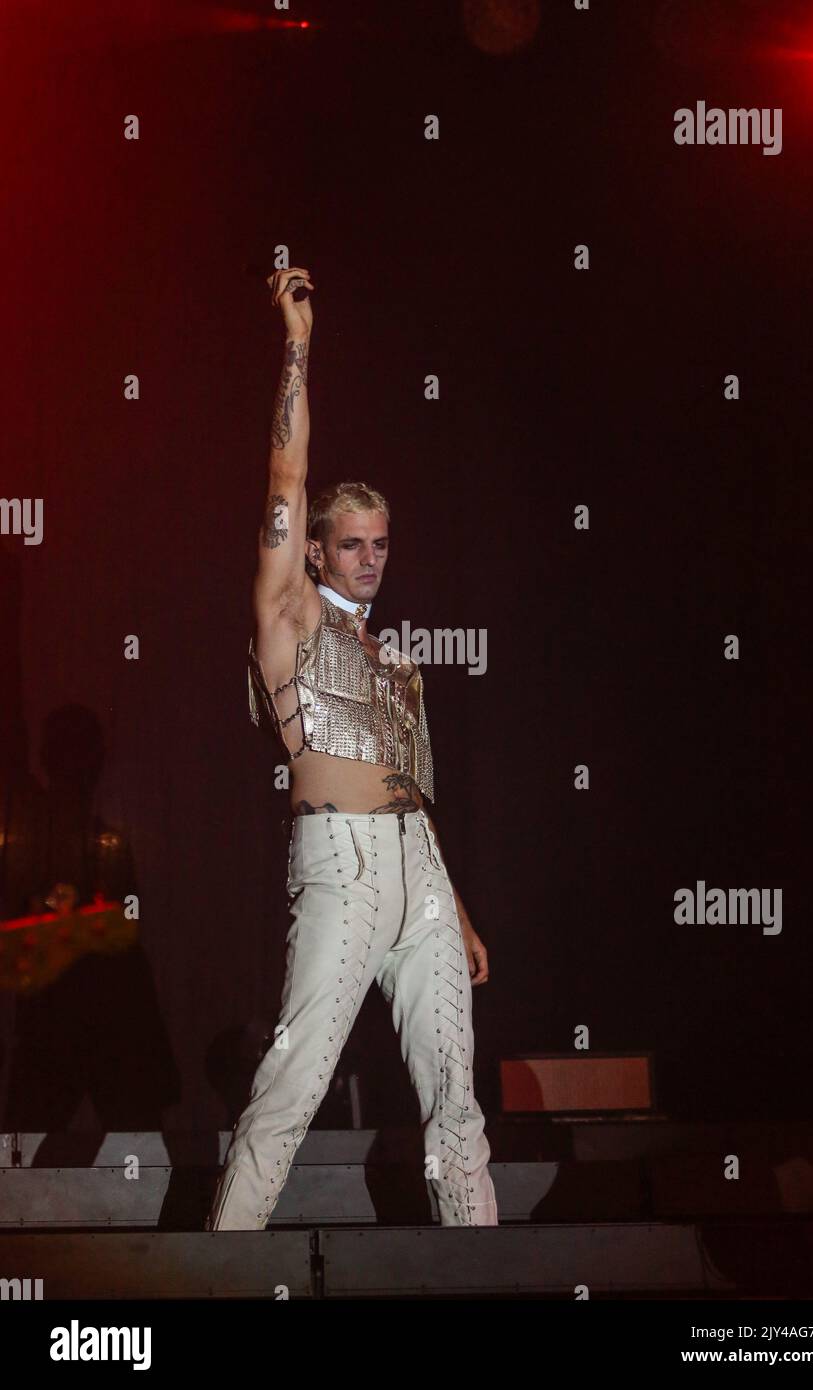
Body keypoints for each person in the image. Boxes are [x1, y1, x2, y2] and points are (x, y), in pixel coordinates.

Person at [206, 265, 498, 1229]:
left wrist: (451, 905)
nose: (371, 558)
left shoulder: (401, 668)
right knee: (294, 1080)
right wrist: (297, 343)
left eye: (382, 543)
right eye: (353, 544)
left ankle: (487, 1270)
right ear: (319, 551)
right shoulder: (288, 615)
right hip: (340, 860)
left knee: (457, 1092)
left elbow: (417, 795)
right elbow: (285, 476)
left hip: (417, 869)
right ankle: (213, 1276)